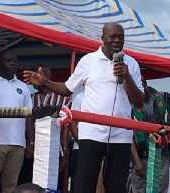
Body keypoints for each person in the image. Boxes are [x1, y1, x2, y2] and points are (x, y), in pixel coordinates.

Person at [23, 22, 144, 193]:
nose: (117, 40)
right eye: (112, 36)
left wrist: (127, 77)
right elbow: (67, 89)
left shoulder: (131, 63)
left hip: (120, 137)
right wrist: (45, 83)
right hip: (91, 135)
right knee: (83, 186)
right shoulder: (88, 61)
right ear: (103, 39)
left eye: (120, 37)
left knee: (116, 188)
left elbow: (139, 102)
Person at [0, 50, 34, 193]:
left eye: (14, 61)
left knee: (10, 187)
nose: (11, 64)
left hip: (18, 143)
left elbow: (29, 116)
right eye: (7, 60)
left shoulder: (23, 87)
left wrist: (30, 142)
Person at [18, 67, 71, 192]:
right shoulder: (30, 98)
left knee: (52, 183)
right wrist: (30, 144)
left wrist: (64, 151)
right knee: (28, 182)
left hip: (54, 149)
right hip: (31, 149)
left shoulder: (63, 100)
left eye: (38, 75)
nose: (33, 79)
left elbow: (65, 127)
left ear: (46, 77)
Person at [69, 91, 83, 193]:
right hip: (80, 147)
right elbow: (72, 122)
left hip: (101, 146)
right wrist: (81, 143)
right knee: (78, 181)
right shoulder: (79, 97)